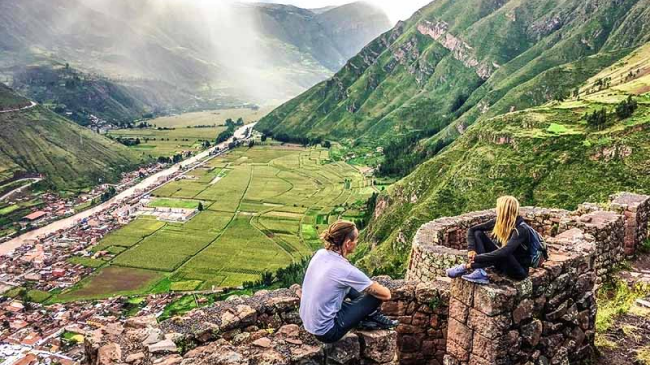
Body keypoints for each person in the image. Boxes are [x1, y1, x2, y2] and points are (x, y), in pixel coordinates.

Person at [299, 221, 398, 343]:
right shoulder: (345, 270)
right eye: (356, 240)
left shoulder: (320, 254)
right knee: (375, 297)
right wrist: (374, 285)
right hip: (327, 332)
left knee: (351, 286)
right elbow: (386, 294)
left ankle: (371, 316)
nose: (357, 243)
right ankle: (371, 316)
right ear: (348, 243)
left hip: (309, 322)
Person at [446, 196, 532, 284]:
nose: (496, 209)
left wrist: (476, 259)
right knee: (478, 233)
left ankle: (465, 267)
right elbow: (472, 229)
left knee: (503, 253)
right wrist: (471, 249)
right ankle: (480, 271)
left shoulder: (521, 230)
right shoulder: (499, 221)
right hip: (504, 263)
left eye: (498, 207)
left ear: (504, 210)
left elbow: (504, 252)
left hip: (518, 271)